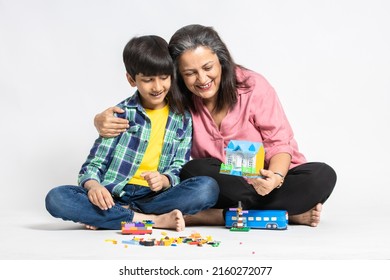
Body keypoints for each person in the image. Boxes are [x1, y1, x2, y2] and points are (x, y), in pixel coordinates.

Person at [94, 25, 337, 227]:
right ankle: (282, 215)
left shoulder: (252, 86)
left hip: (269, 179)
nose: (202, 80)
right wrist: (99, 120)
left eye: (208, 68)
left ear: (221, 61)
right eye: (190, 73)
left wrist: (274, 178)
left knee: (321, 176)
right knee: (194, 170)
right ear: (178, 75)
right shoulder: (176, 98)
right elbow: (143, 107)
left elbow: (279, 142)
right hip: (225, 184)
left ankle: (224, 215)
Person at [45, 35, 219, 231]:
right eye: (147, 80)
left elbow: (179, 164)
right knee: (57, 198)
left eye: (163, 78)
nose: (157, 87)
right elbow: (93, 165)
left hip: (154, 198)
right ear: (131, 79)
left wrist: (164, 180)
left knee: (207, 188)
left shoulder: (182, 117)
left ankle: (114, 216)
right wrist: (94, 186)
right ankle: (152, 220)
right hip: (114, 194)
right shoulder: (120, 114)